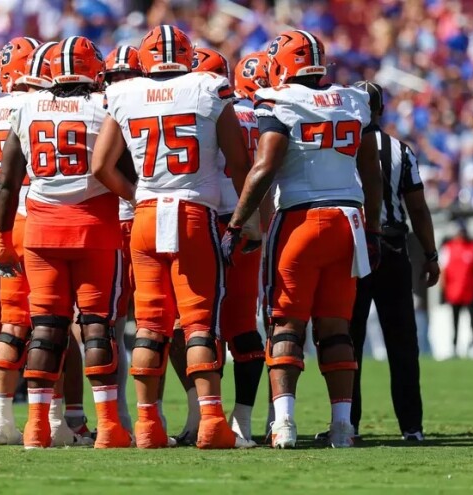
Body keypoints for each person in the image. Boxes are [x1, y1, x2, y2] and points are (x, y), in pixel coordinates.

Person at [93, 24, 256, 450]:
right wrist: (249, 219)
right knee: (199, 324)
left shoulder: (125, 93)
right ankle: (212, 424)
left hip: (146, 216)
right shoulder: (207, 87)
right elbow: (239, 163)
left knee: (149, 325)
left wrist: (138, 196)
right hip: (193, 214)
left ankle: (148, 426)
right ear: (187, 56)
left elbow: (101, 167)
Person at [224, 30, 383, 448]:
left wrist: (236, 224)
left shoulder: (279, 101)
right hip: (349, 221)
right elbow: (372, 173)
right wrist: (373, 228)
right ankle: (343, 426)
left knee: (285, 325)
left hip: (300, 220)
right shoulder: (354, 98)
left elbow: (264, 168)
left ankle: (283, 423)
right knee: (336, 328)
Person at [0, 35, 130, 449]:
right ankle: (109, 426)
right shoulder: (106, 105)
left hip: (40, 230)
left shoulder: (26, 106)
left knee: (46, 329)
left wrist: (2, 237)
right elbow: (123, 168)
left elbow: (8, 182)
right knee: (96, 327)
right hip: (94, 228)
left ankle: (37, 427)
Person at [341, 81, 439, 444]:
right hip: (394, 247)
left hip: (355, 248)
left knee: (348, 339)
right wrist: (430, 253)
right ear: (381, 110)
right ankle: (411, 426)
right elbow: (418, 208)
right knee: (402, 342)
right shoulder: (401, 150)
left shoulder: (340, 146)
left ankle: (346, 423)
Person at [186, 47, 266, 443]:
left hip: (214, 220)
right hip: (250, 222)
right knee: (243, 324)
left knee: (205, 323)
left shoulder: (209, 110)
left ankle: (207, 418)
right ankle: (243, 420)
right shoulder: (260, 115)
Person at [0, 36, 42, 445]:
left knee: (4, 323)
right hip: (45, 216)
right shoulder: (45, 104)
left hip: (4, 221)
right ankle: (54, 418)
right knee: (51, 322)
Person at [101, 44, 144, 436]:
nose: (120, 84)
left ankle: (140, 417)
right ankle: (125, 416)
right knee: (114, 327)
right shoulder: (116, 106)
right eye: (116, 78)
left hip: (127, 221)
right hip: (124, 221)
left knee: (151, 325)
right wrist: (135, 196)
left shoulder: (103, 105)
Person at [440, 221, 473, 358]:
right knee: (455, 321)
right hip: (454, 291)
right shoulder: (448, 248)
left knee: (472, 319)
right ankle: (454, 346)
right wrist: (443, 288)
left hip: (470, 291)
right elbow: (443, 269)